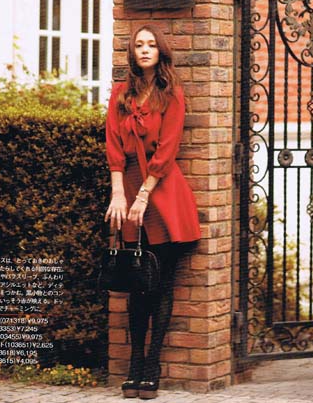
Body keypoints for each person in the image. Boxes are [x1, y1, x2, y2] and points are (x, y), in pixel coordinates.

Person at [105, 24, 200, 400]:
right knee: (136, 284)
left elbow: (168, 149)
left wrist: (144, 195)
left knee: (159, 284)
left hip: (162, 194)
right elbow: (113, 145)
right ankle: (134, 364)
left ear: (160, 51)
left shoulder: (171, 92)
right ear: (132, 53)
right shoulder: (120, 93)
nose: (145, 50)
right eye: (139, 45)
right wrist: (119, 195)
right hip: (128, 189)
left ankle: (152, 366)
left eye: (151, 45)